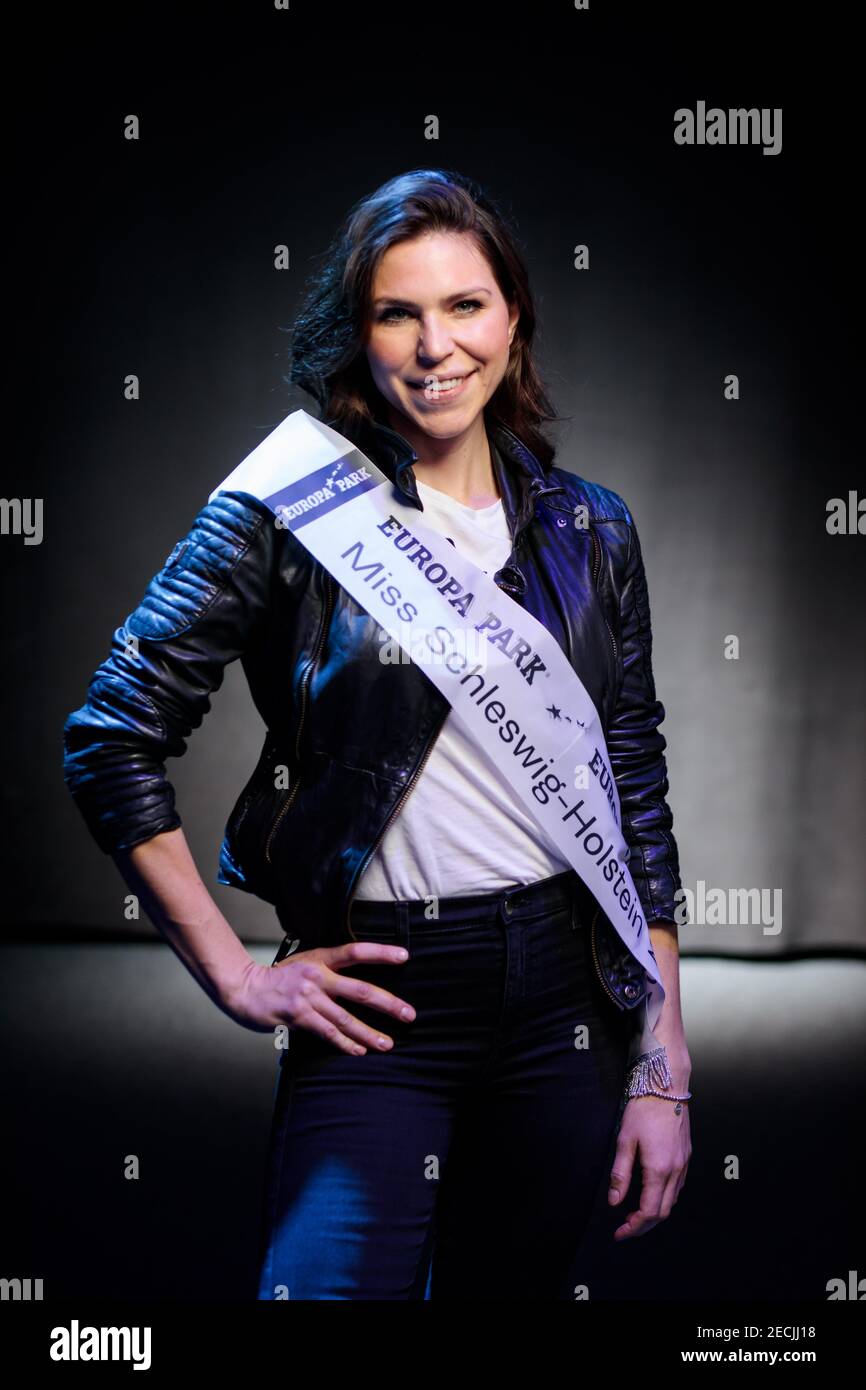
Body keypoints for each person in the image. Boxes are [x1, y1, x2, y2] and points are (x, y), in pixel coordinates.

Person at [63, 168, 692, 1301]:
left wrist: (661, 1056)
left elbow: (628, 784)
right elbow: (112, 732)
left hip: (562, 996)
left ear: (513, 319)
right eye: (395, 312)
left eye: (464, 306)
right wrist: (235, 979)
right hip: (385, 1001)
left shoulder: (591, 528)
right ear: (355, 334)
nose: (433, 345)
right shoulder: (288, 511)